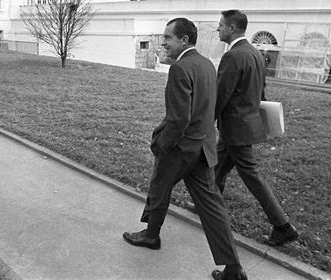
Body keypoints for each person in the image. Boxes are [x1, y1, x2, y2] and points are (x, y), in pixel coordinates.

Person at [123, 18, 247, 280]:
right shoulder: (206, 64)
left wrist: (163, 145)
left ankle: (151, 236)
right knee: (212, 207)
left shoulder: (180, 69)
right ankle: (233, 268)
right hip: (203, 146)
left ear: (184, 40)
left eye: (168, 38)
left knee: (159, 186)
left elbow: (178, 119)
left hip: (180, 147)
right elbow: (207, 108)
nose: (163, 42)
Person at [214, 9, 299, 248]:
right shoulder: (255, 53)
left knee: (251, 177)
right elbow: (260, 92)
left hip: (235, 130)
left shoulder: (232, 57)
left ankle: (283, 226)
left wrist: (205, 121)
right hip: (244, 126)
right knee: (215, 170)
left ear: (232, 28)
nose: (218, 29)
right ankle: (208, 206)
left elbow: (221, 95)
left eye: (220, 25)